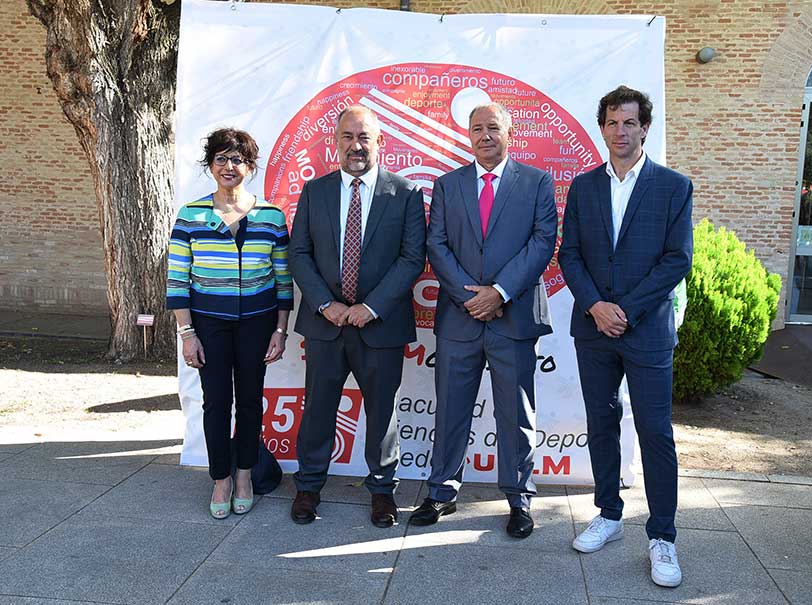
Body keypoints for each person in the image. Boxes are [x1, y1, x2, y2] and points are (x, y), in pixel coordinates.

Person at [558, 86, 693, 587]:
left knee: (656, 432)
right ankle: (609, 515)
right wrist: (595, 306)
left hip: (646, 329)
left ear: (644, 128)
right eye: (612, 122)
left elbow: (677, 259)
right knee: (601, 421)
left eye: (630, 123)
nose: (621, 131)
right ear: (603, 127)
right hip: (593, 328)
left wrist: (624, 310)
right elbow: (569, 252)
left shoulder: (673, 186)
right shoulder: (584, 185)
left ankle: (662, 537)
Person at [408, 102, 557, 539]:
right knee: (451, 409)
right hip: (460, 318)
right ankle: (440, 492)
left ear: (510, 132)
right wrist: (471, 297)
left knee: (516, 414)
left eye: (494, 127)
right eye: (477, 129)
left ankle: (518, 499)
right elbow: (437, 245)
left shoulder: (536, 182)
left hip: (513, 319)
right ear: (468, 135)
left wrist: (499, 293)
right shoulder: (448, 185)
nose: (485, 135)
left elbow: (543, 241)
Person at [288, 106, 426, 527]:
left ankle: (383, 492)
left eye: (364, 137)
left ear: (381, 142)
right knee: (317, 410)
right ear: (335, 142)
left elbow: (411, 258)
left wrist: (370, 307)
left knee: (382, 412)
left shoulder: (405, 193)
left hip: (380, 326)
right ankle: (309, 487)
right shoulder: (316, 192)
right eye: (347, 136)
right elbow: (299, 254)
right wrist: (326, 305)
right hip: (326, 326)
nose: (356, 145)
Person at [166, 128, 293, 519]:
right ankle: (220, 477)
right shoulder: (191, 215)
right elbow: (177, 280)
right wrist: (187, 334)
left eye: (237, 159)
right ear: (210, 165)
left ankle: (244, 475)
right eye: (221, 159)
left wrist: (280, 329)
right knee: (216, 403)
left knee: (252, 401)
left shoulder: (271, 216)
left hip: (257, 324)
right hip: (209, 326)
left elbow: (282, 279)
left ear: (250, 166)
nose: (228, 166)